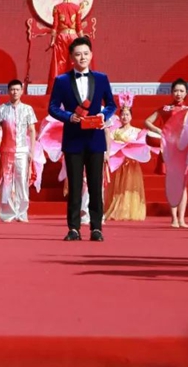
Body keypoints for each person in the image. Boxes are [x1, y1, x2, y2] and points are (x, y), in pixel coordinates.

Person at [49, 37, 116, 242]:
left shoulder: (101, 78)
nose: (82, 57)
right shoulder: (61, 81)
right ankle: (74, 229)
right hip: (73, 140)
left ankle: (96, 228)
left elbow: (111, 104)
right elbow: (52, 107)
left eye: (86, 53)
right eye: (78, 54)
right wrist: (69, 116)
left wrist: (103, 115)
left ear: (91, 55)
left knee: (95, 185)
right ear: (71, 57)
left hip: (95, 139)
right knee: (75, 186)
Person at [145, 78, 188, 227]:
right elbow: (147, 121)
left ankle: (182, 219)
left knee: (183, 185)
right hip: (169, 149)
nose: (178, 94)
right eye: (176, 91)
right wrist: (159, 130)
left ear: (186, 93)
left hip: (184, 148)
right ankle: (174, 219)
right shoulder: (165, 109)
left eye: (182, 91)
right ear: (172, 92)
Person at [0, 79, 38, 223]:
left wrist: (31, 150)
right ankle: (7, 212)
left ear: (22, 91)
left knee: (22, 180)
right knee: (6, 180)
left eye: (17, 90)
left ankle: (22, 212)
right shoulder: (1, 109)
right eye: (12, 89)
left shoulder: (28, 109)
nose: (15, 92)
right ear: (8, 91)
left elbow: (32, 130)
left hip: (22, 150)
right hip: (6, 149)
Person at [105, 99, 148, 221]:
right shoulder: (114, 131)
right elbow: (110, 144)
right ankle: (116, 208)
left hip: (131, 163)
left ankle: (129, 210)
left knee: (130, 186)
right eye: (123, 114)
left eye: (127, 114)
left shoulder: (137, 131)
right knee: (118, 186)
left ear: (131, 116)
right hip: (118, 163)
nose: (125, 117)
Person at [47, 0, 83, 89]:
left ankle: (57, 88)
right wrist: (82, 40)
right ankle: (75, 88)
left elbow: (55, 26)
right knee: (74, 61)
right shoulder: (77, 8)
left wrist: (52, 40)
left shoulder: (57, 7)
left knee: (59, 63)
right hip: (73, 37)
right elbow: (79, 26)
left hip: (61, 37)